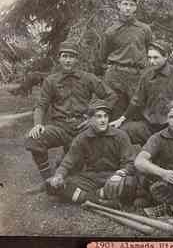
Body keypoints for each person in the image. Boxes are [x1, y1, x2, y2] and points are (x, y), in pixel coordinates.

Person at [26, 41, 117, 182]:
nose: (68, 60)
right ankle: (48, 180)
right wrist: (38, 124)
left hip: (83, 128)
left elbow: (111, 96)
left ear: (77, 59)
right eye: (65, 56)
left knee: (78, 172)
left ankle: (66, 162)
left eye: (72, 56)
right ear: (59, 58)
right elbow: (41, 105)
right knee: (34, 139)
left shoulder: (88, 78)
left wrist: (93, 118)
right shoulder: (51, 81)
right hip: (60, 128)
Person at [46, 99, 137, 206]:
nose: (103, 120)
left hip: (113, 175)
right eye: (98, 117)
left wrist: (119, 174)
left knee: (130, 183)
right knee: (57, 185)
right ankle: (99, 198)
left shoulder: (120, 135)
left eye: (105, 116)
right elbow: (68, 162)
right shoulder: (82, 138)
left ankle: (89, 197)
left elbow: (130, 163)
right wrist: (59, 176)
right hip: (91, 177)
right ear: (89, 119)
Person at [110, 40, 173, 145]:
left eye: (156, 58)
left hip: (172, 125)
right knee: (121, 133)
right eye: (149, 57)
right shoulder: (146, 75)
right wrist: (122, 119)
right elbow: (136, 101)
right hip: (149, 126)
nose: (152, 61)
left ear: (166, 57)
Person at [103, 0, 152, 118]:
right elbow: (103, 55)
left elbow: (149, 51)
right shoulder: (111, 31)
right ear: (119, 5)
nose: (128, 8)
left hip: (137, 76)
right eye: (125, 4)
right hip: (115, 77)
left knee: (138, 114)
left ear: (136, 7)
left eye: (131, 5)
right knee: (114, 113)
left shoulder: (144, 29)